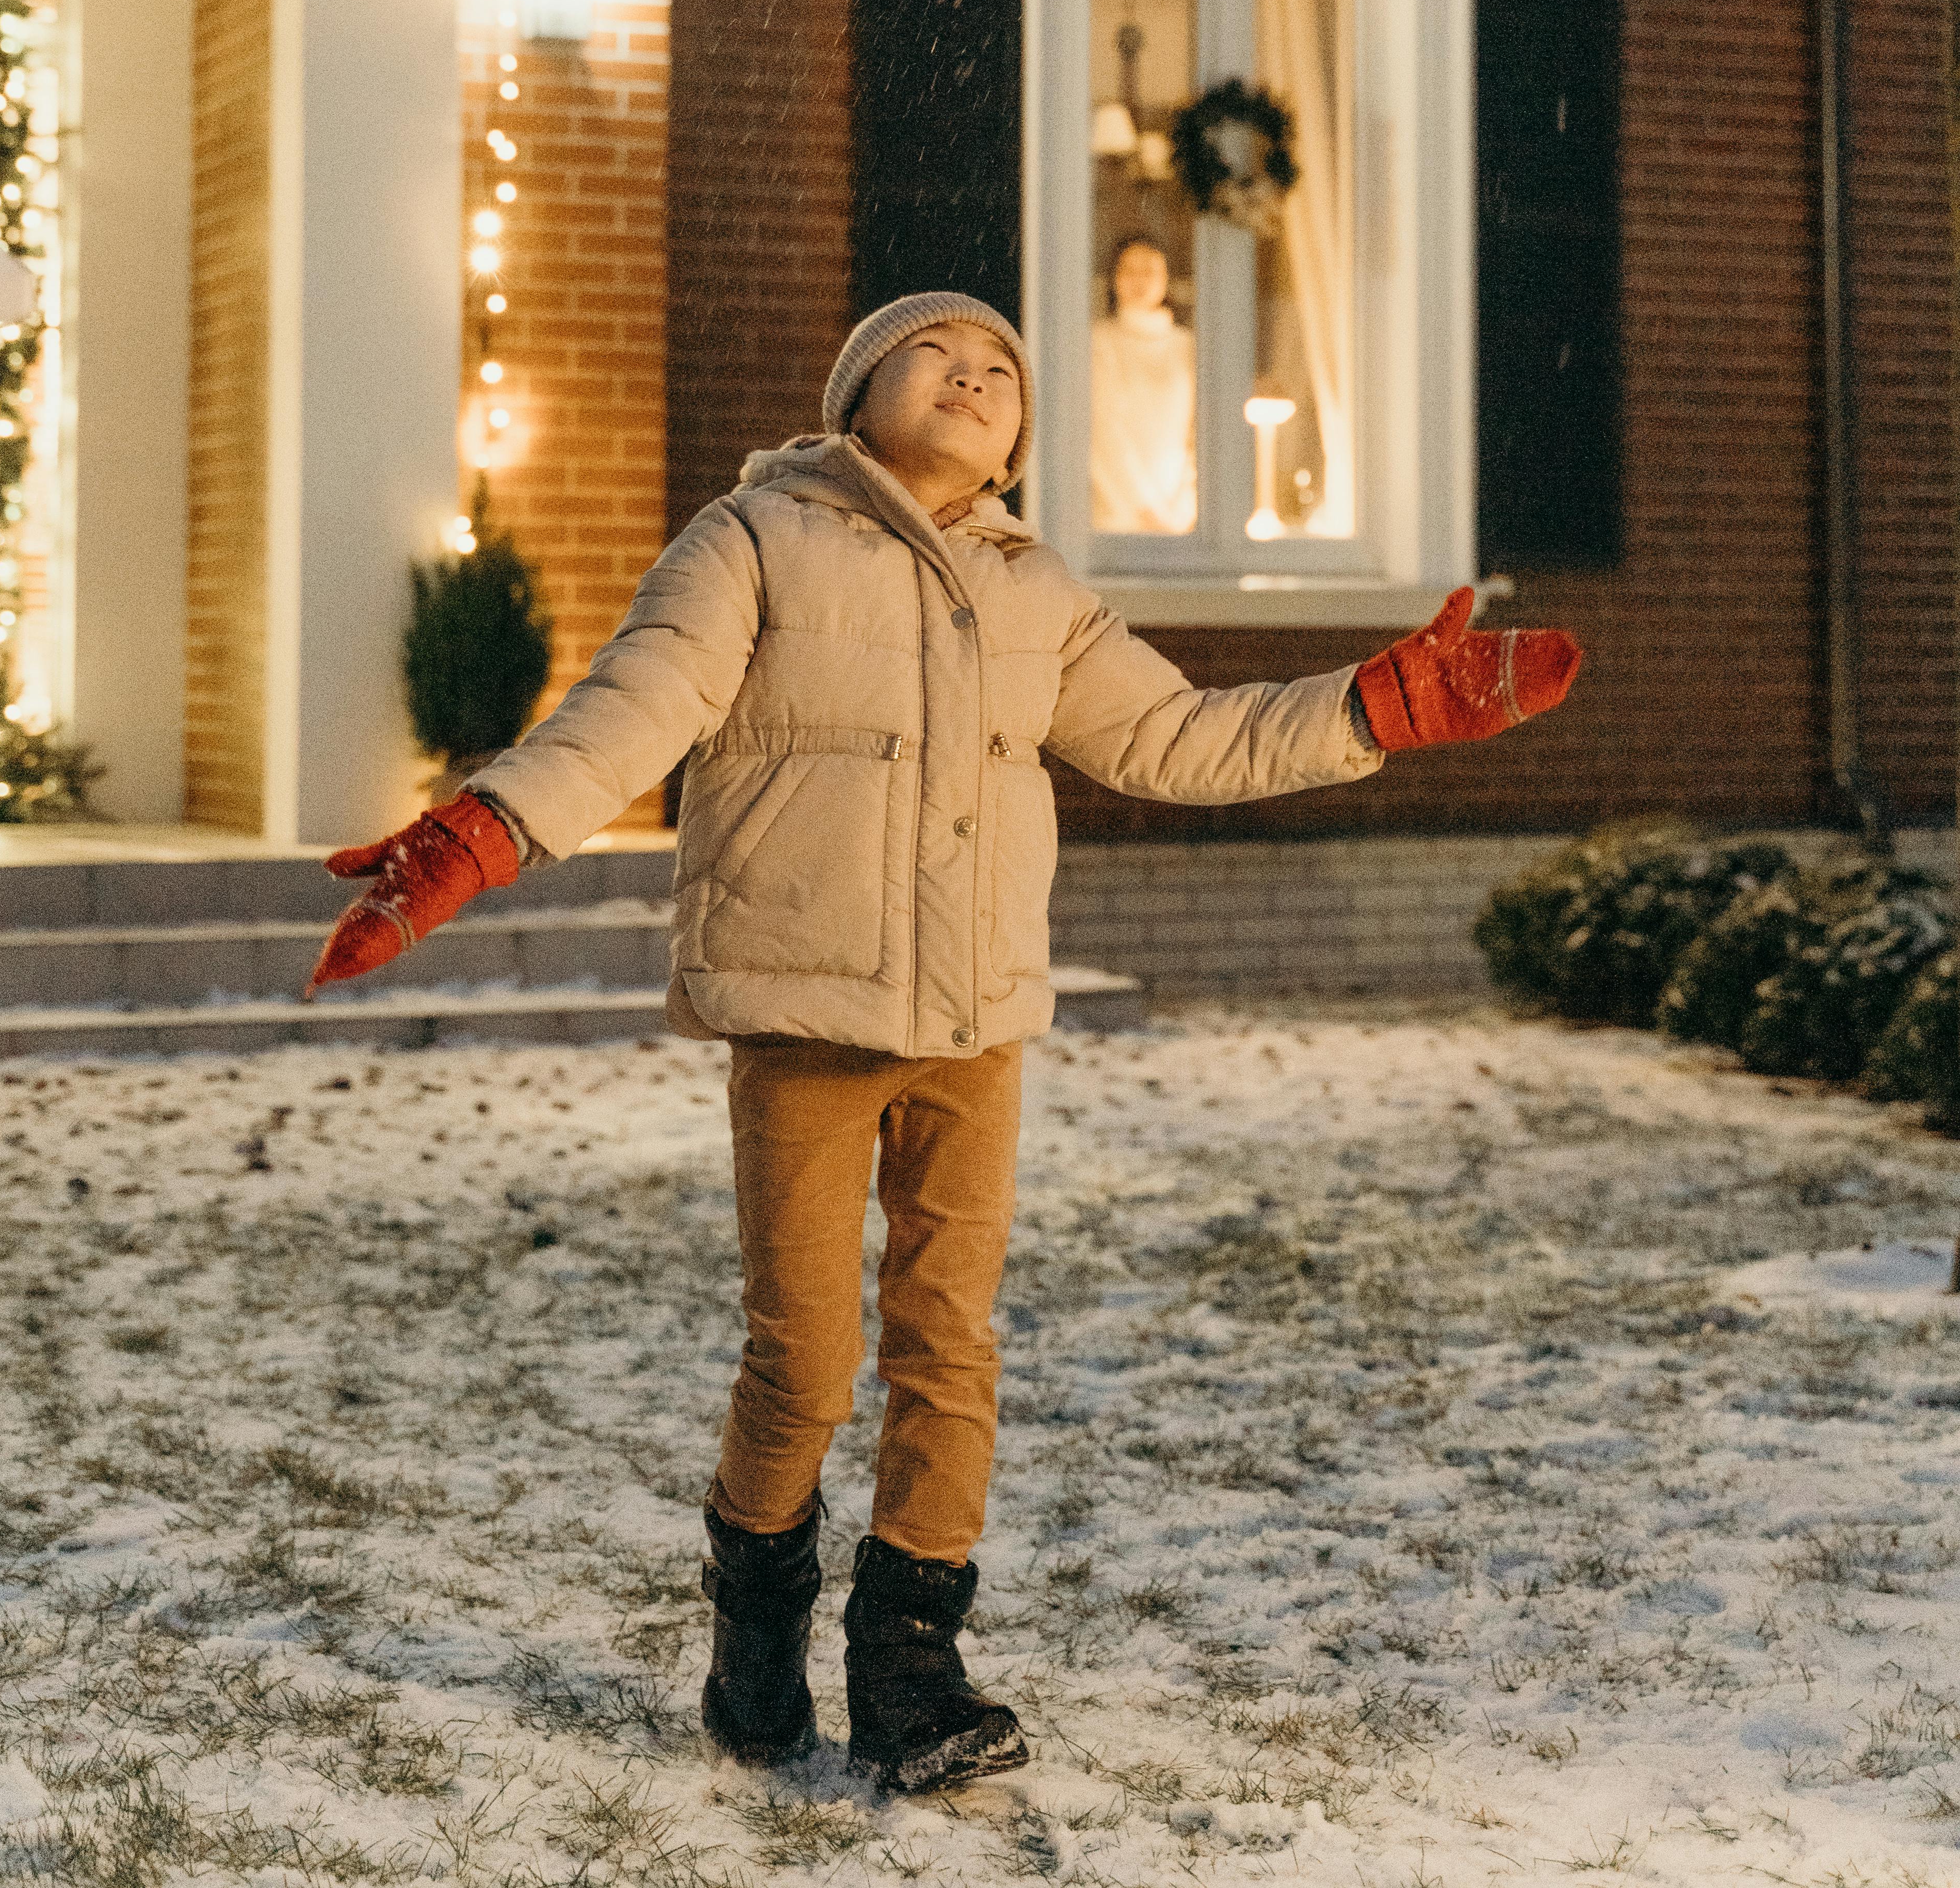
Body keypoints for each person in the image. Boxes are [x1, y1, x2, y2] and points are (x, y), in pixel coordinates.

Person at [306, 291, 1580, 1793]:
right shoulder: (755, 537)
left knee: (949, 1345)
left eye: (1004, 370)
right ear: (857, 389)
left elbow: (1181, 736)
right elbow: (634, 705)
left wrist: (1367, 705)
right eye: (939, 353)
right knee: (805, 1358)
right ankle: (758, 1615)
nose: (976, 374)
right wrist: (484, 830)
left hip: (975, 1019)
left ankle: (912, 1662)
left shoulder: (1033, 585)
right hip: (807, 1006)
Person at [1090, 234, 1197, 534]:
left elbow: (1199, 434)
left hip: (1180, 520)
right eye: (1128, 270)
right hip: (1112, 518)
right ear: (1114, 279)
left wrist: (1185, 507)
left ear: (1166, 280)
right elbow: (1104, 434)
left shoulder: (1187, 346)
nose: (1139, 280)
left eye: (1149, 271)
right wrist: (1146, 510)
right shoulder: (1098, 342)